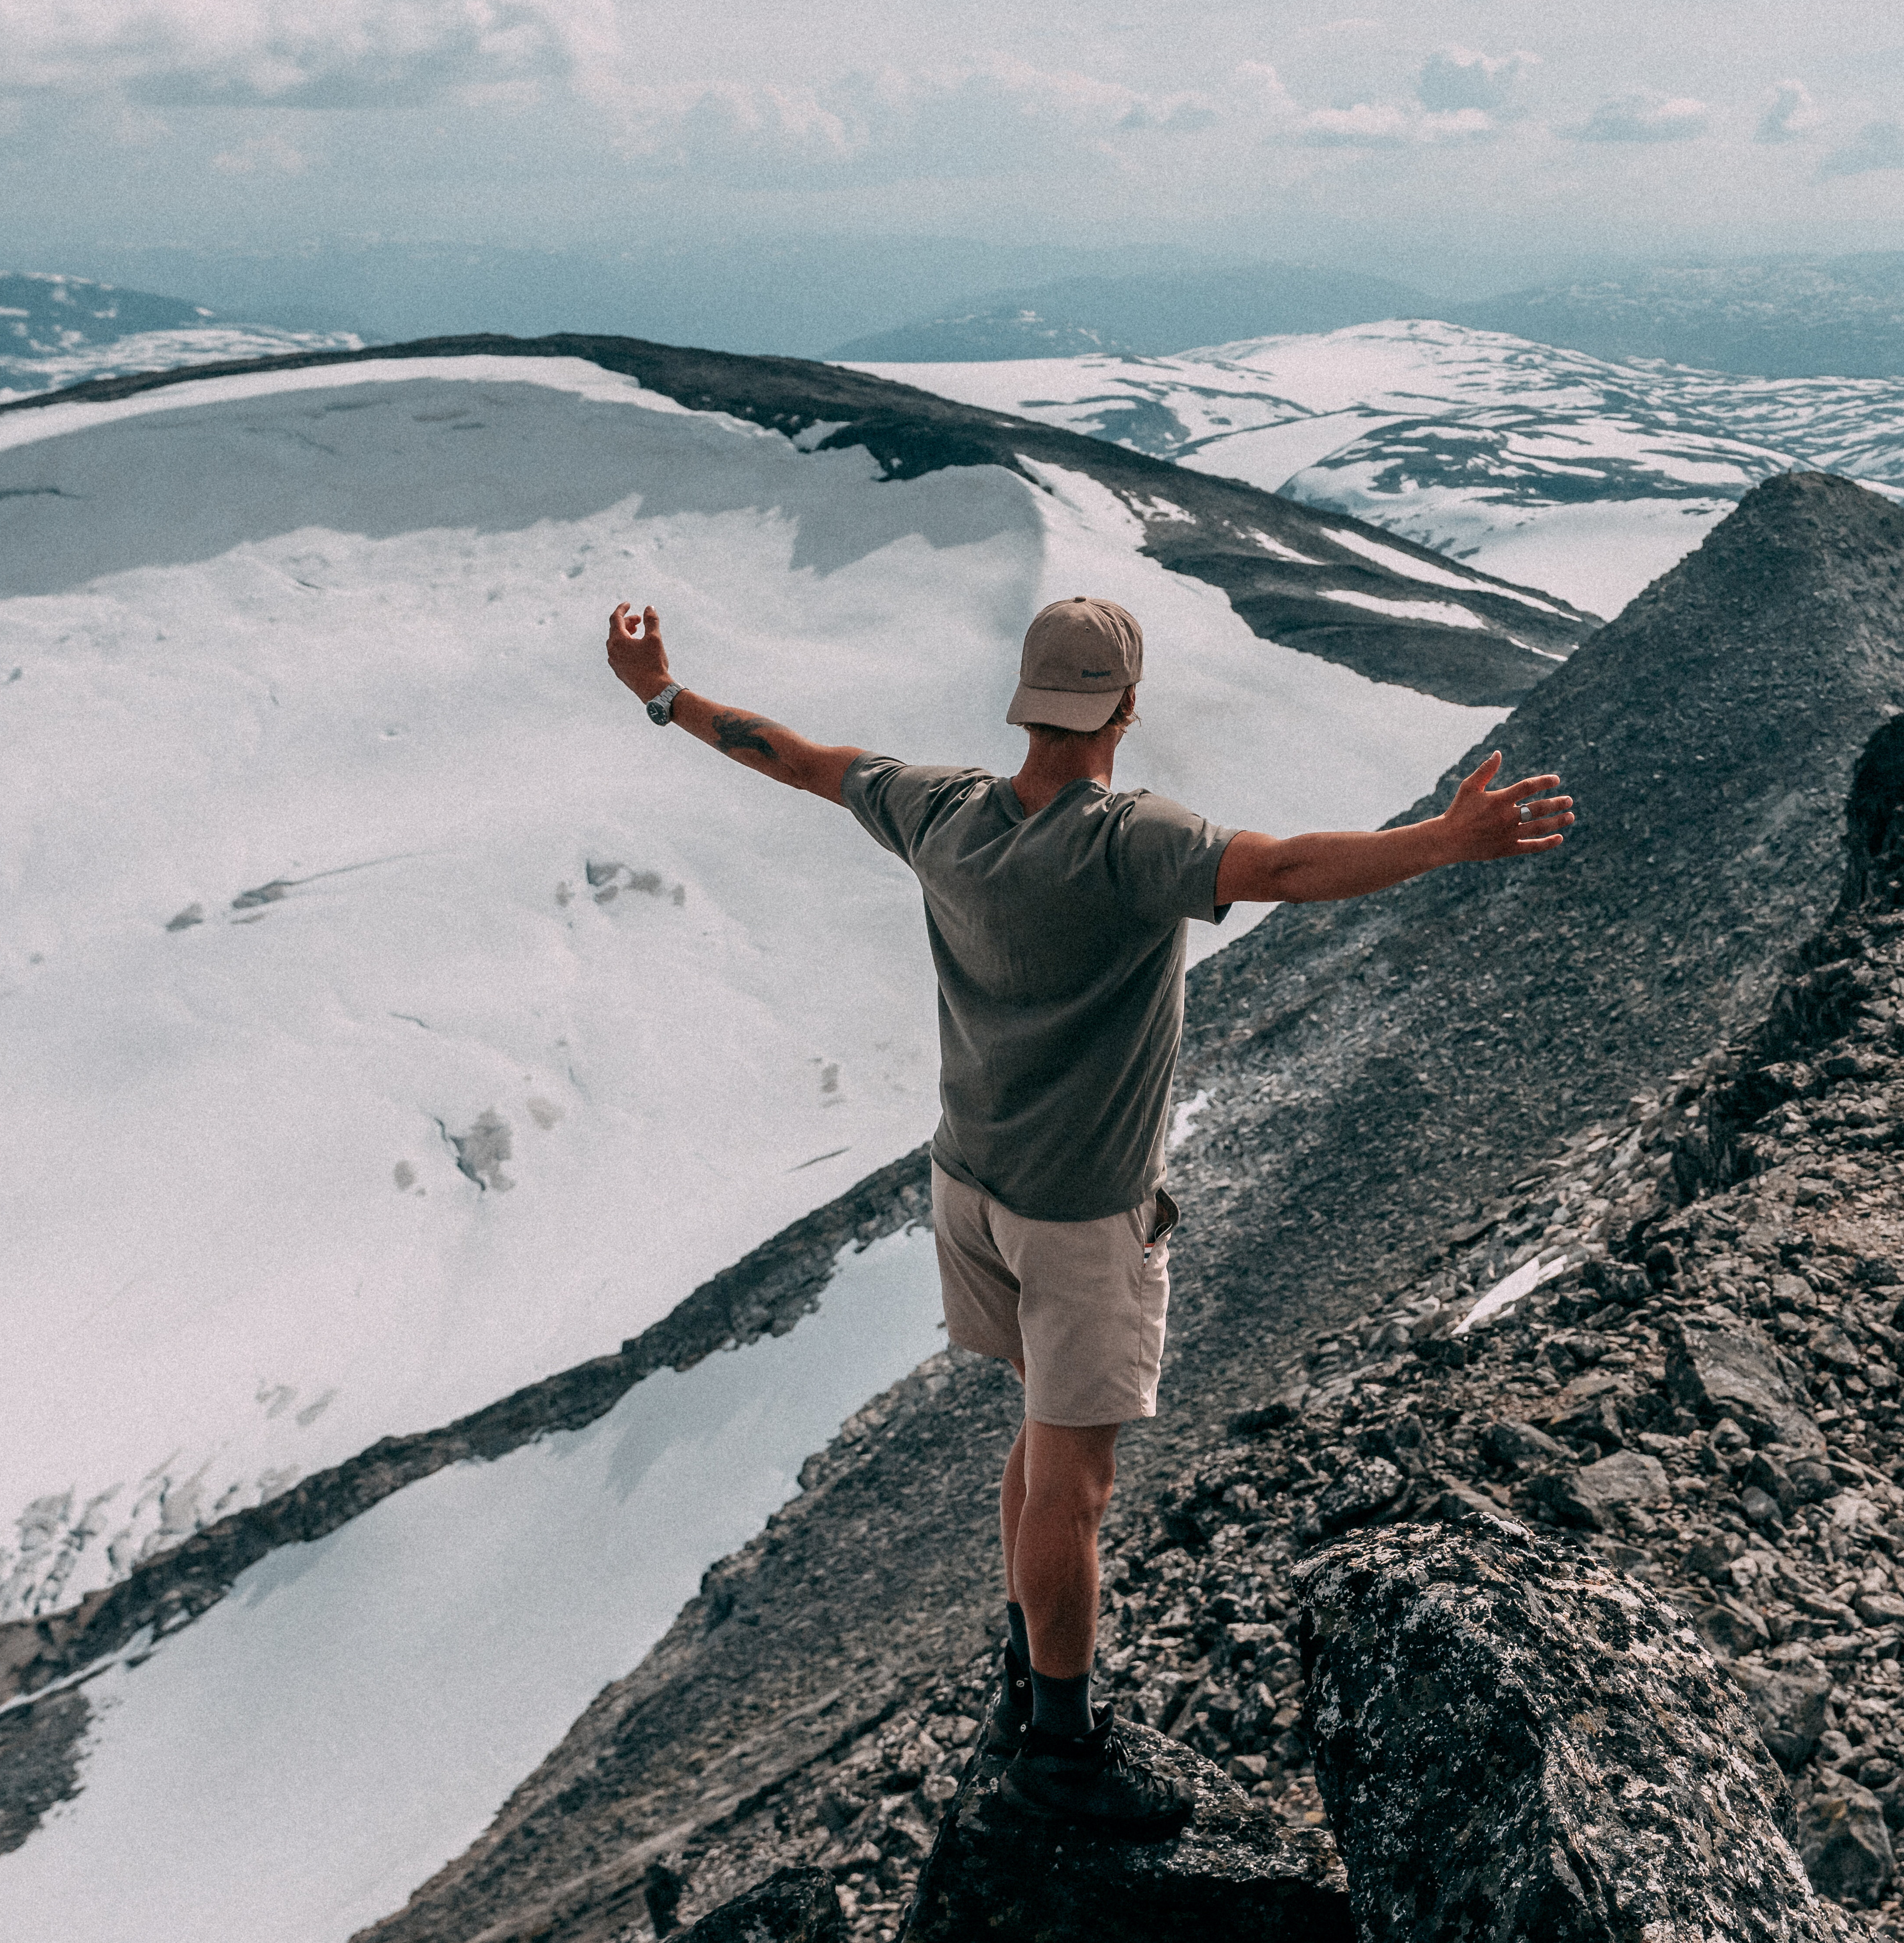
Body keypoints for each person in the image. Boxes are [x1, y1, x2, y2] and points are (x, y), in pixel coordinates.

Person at [602, 592, 1572, 1834]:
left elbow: (791, 757)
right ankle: (1060, 1743)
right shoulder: (1129, 842)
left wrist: (661, 693)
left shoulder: (938, 808)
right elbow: (1277, 868)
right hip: (1079, 1223)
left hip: (970, 1189)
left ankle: (1025, 1683)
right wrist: (1447, 841)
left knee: (1042, 1441)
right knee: (1078, 1483)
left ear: (1027, 701)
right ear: (1124, 706)